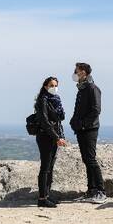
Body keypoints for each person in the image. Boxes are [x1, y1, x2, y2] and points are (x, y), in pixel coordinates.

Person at [69, 62, 108, 204]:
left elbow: (96, 110)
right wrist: (74, 121)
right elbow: (78, 109)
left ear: (84, 72)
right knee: (86, 159)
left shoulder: (92, 88)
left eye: (77, 70)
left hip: (90, 129)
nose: (75, 73)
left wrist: (83, 124)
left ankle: (100, 191)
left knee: (91, 159)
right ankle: (91, 191)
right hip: (81, 129)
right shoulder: (82, 89)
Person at [34, 76, 67, 208]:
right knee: (45, 167)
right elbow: (45, 122)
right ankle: (42, 198)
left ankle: (47, 195)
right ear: (45, 86)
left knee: (50, 167)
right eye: (51, 85)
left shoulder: (56, 100)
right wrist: (57, 137)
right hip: (45, 137)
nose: (54, 88)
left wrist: (58, 136)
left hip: (53, 136)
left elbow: (60, 119)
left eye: (55, 85)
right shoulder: (42, 100)